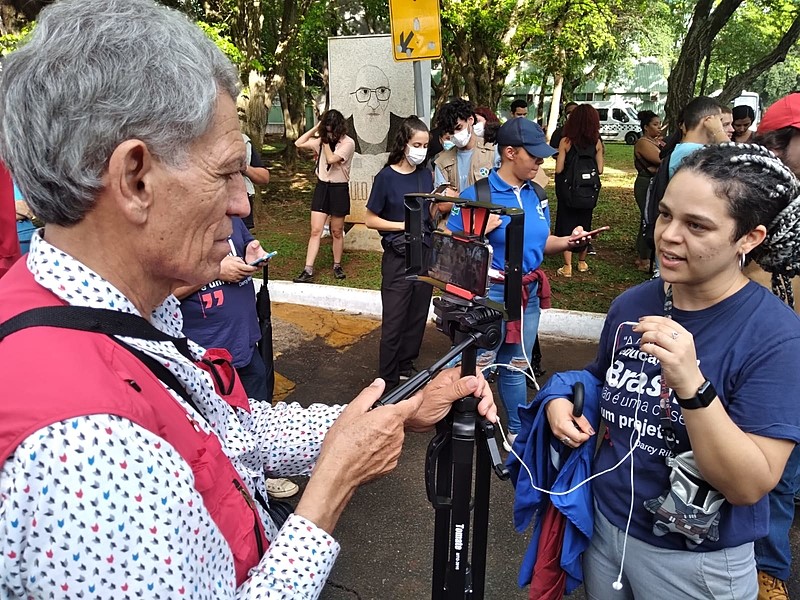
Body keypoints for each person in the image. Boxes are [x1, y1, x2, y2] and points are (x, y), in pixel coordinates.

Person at [0, 2, 497, 597]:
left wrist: (394, 413)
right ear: (134, 178)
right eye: (228, 172)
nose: (242, 203)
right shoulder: (86, 449)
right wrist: (328, 492)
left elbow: (231, 431)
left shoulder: (108, 313)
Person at [537, 143, 800, 598]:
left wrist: (692, 385)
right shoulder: (633, 304)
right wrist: (564, 397)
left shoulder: (775, 336)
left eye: (696, 225)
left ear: (749, 238)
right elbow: (601, 379)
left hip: (698, 560)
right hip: (606, 531)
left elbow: (750, 483)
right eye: (664, 215)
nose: (668, 236)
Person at [446, 118, 597, 448]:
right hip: (490, 294)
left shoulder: (537, 193)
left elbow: (541, 243)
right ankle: (463, 428)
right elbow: (452, 241)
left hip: (526, 294)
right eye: (535, 156)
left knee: (517, 364)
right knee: (478, 365)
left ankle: (516, 432)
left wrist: (570, 242)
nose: (541, 162)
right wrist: (481, 229)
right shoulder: (479, 194)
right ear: (510, 153)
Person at [174, 216, 299, 500]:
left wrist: (253, 255)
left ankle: (263, 476)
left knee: (255, 416)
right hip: (204, 358)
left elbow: (243, 252)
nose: (240, 203)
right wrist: (215, 271)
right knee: (211, 429)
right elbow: (161, 295)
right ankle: (226, 488)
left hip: (245, 345)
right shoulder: (174, 226)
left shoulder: (232, 219)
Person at [748, 92, 800, 600]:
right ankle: (763, 566)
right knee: (770, 468)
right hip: (764, 343)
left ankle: (768, 564)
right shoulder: (752, 193)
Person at [365, 116, 435, 389]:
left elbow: (427, 212)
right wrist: (403, 225)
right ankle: (387, 376)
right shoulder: (386, 177)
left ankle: (407, 363)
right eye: (417, 143)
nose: (422, 149)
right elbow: (371, 219)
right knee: (394, 318)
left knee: (418, 313)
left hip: (424, 250)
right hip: (397, 254)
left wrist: (438, 205)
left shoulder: (425, 174)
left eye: (426, 145)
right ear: (404, 143)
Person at [294, 109, 355, 283]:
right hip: (322, 188)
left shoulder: (347, 143)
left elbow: (331, 159)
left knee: (336, 231)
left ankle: (337, 265)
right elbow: (299, 143)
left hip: (338, 189)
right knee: (315, 230)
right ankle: (308, 269)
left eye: (332, 129)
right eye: (326, 129)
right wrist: (316, 128)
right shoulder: (321, 140)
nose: (329, 133)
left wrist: (326, 142)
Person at [554, 103, 605, 277]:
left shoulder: (566, 141)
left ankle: (567, 266)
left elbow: (559, 169)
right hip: (588, 191)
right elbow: (600, 169)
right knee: (585, 223)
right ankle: (582, 262)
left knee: (566, 223)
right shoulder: (597, 142)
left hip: (568, 190)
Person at [433, 98, 497, 196]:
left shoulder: (493, 151)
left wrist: (456, 196)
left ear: (470, 120)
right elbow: (442, 205)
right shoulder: (442, 162)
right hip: (456, 212)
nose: (456, 134)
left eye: (459, 128)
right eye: (450, 132)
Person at [344, 64, 403, 155]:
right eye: (364, 92)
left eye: (382, 91)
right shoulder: (341, 131)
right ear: (351, 98)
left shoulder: (404, 128)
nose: (374, 104)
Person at [632, 110, 664, 271]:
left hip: (654, 182)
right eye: (655, 124)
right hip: (646, 184)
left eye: (659, 124)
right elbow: (662, 160)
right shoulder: (643, 142)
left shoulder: (655, 141)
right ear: (646, 127)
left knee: (652, 216)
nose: (659, 128)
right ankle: (643, 257)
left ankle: (646, 255)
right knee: (647, 218)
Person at [668, 96, 728, 177]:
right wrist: (719, 131)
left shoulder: (683, 149)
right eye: (720, 120)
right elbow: (736, 161)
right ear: (708, 121)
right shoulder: (696, 152)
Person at [240, 132, 271, 230]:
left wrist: (244, 168)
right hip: (211, 203)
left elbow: (264, 177)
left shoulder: (243, 141)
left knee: (240, 242)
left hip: (241, 201)